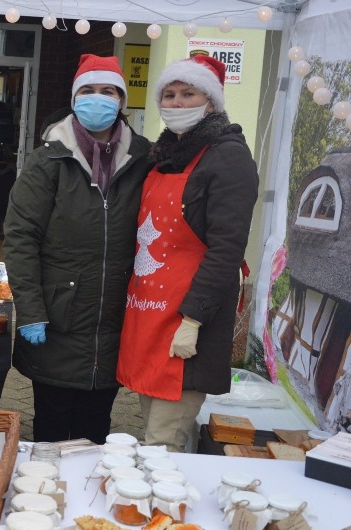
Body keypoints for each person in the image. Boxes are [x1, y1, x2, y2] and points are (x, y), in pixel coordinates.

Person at [3, 54, 153, 444]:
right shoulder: (48, 160)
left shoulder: (144, 160)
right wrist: (31, 311)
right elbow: (21, 238)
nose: (97, 99)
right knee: (52, 430)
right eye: (88, 90)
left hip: (116, 318)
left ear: (121, 100)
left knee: (95, 431)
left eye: (107, 91)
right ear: (74, 98)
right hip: (57, 320)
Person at [117, 55, 259, 452]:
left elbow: (227, 249)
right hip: (149, 313)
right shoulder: (165, 156)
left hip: (186, 319)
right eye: (170, 94)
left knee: (163, 443)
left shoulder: (228, 157)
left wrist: (193, 319)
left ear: (210, 102)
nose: (176, 103)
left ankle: (161, 512)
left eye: (188, 93)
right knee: (160, 430)